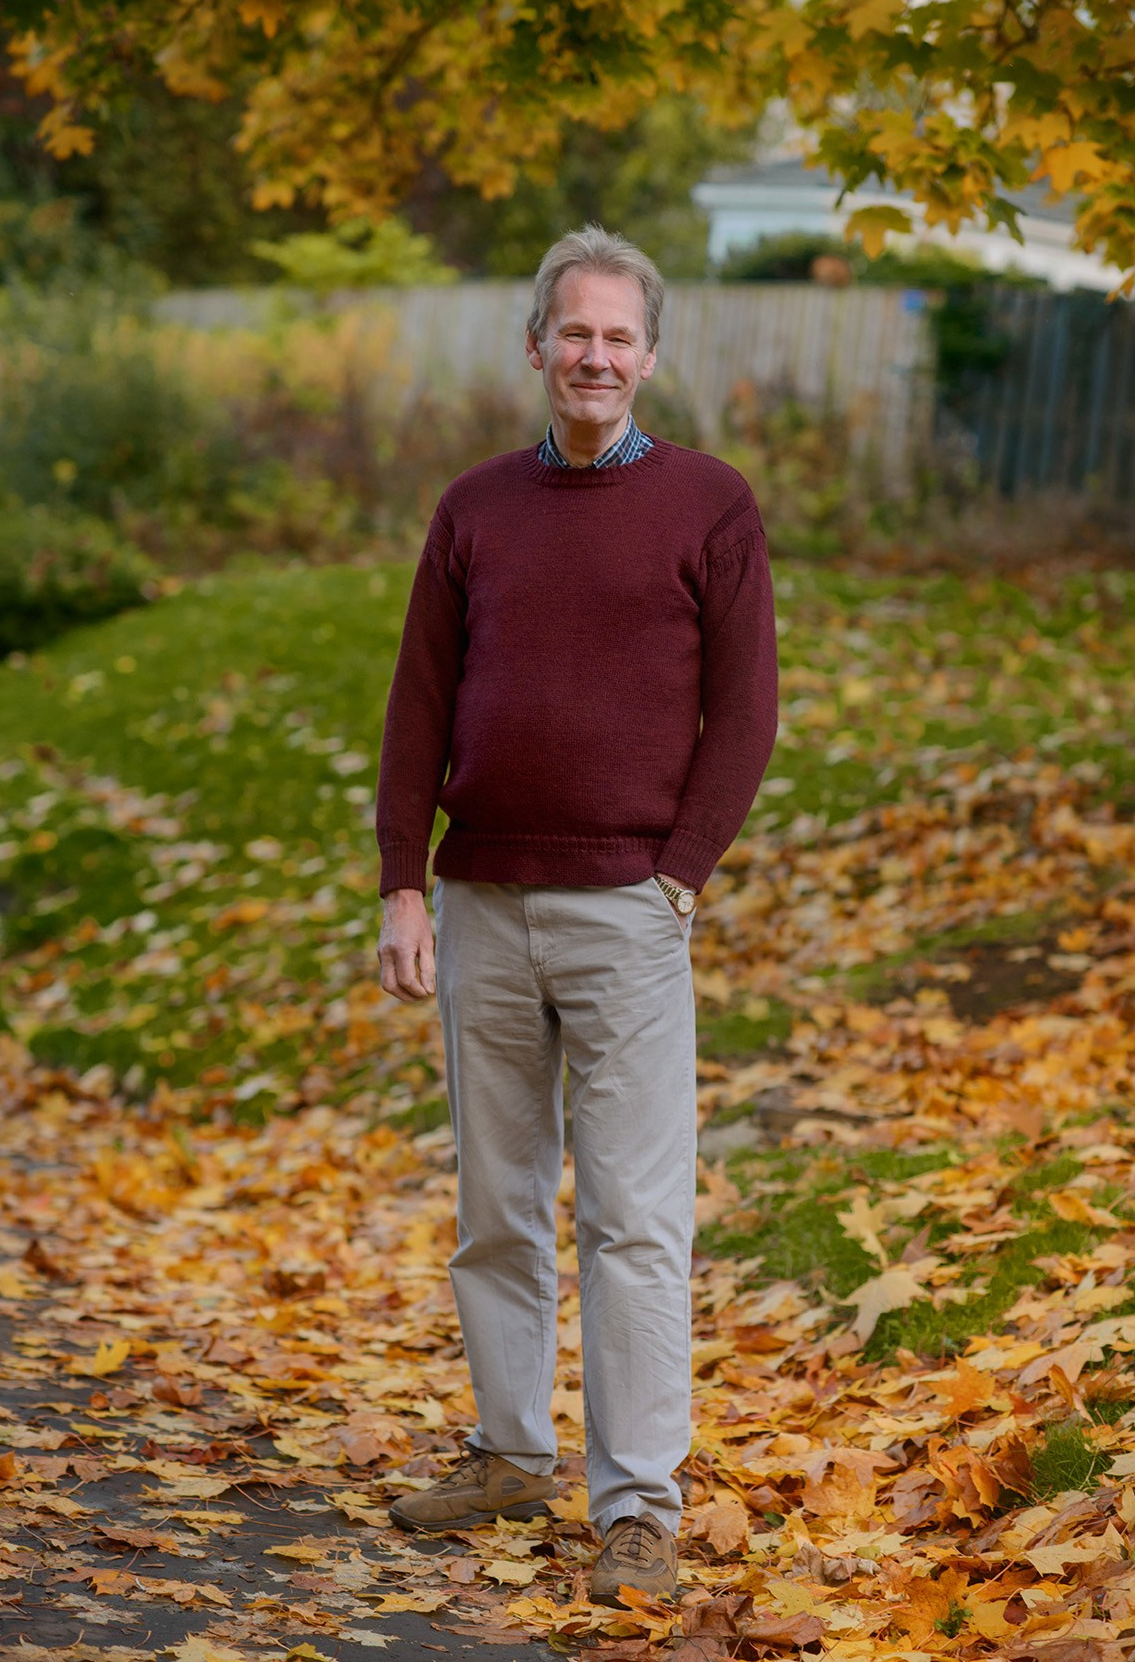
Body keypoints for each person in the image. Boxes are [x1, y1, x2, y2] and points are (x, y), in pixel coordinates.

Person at [374, 225, 778, 1606]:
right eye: (572, 332)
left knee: (632, 1219)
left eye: (617, 336)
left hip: (626, 912)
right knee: (495, 1207)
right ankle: (504, 1450)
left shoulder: (709, 506)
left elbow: (748, 714)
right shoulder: (473, 510)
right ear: (534, 347)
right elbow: (419, 702)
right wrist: (399, 879)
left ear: (647, 357)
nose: (593, 355)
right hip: (482, 899)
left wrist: (680, 873)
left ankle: (637, 1506)